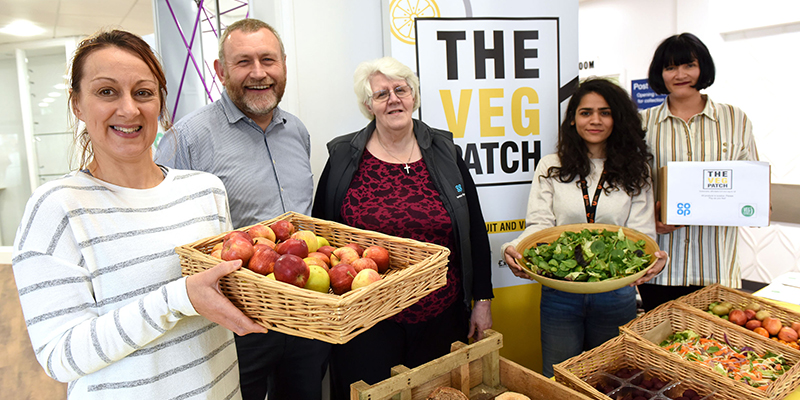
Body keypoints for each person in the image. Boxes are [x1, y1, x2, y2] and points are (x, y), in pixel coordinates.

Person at [11, 29, 266, 399]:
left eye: (143, 93)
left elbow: (224, 294)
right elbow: (60, 356)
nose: (129, 109)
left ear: (160, 104)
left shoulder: (205, 190)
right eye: (106, 92)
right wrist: (176, 299)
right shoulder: (57, 209)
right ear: (77, 105)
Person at [154, 18, 329, 400]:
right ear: (220, 70)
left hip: (304, 313)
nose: (259, 73)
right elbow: (165, 232)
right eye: (243, 62)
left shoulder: (297, 131)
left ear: (283, 64)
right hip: (234, 322)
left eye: (268, 60)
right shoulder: (187, 138)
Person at [311, 56, 494, 400]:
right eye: (381, 94)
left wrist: (482, 300)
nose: (393, 99)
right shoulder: (342, 157)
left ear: (414, 96)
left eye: (401, 89)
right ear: (369, 105)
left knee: (438, 394)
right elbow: (323, 238)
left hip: (441, 314)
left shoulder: (446, 152)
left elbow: (474, 233)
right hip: (365, 319)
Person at [501, 78, 668, 378]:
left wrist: (653, 259)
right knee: (559, 379)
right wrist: (511, 248)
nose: (595, 120)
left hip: (616, 292)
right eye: (586, 112)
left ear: (617, 118)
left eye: (605, 112)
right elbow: (540, 227)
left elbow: (641, 235)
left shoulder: (636, 169)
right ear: (573, 119)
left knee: (611, 378)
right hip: (560, 291)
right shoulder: (552, 165)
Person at [638, 33, 759, 311]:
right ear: (661, 73)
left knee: (714, 348)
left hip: (716, 264)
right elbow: (630, 189)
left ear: (702, 67)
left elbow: (750, 184)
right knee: (658, 347)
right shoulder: (642, 124)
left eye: (688, 65)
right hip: (661, 264)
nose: (680, 74)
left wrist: (755, 205)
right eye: (670, 67)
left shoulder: (734, 119)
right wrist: (648, 217)